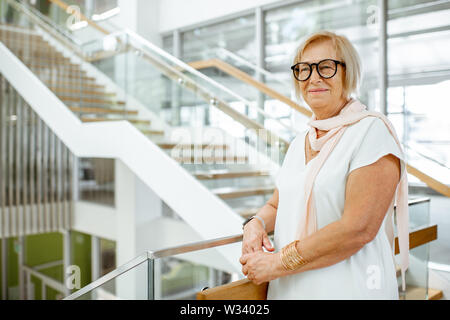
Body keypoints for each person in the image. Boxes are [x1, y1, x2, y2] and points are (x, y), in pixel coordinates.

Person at [239, 30, 409, 299]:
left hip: (350, 289)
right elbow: (277, 204)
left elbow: (358, 228)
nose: (313, 77)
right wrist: (255, 223)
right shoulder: (299, 142)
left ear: (347, 72)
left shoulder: (371, 131)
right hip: (290, 289)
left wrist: (276, 262)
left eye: (326, 67)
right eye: (304, 69)